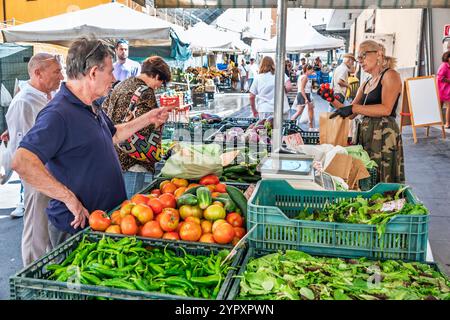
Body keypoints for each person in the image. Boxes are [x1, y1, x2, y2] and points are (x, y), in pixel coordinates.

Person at [11, 38, 172, 247]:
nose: (114, 78)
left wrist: (148, 118)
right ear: (94, 72)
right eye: (110, 72)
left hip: (105, 223)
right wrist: (69, 198)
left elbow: (113, 134)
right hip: (77, 229)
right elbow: (22, 161)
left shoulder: (91, 106)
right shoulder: (58, 114)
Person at [5, 53, 64, 266]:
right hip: (37, 175)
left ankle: (46, 269)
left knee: (47, 227)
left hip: (52, 172)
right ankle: (31, 273)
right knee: (36, 229)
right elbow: (22, 150)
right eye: (56, 71)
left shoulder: (49, 95)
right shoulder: (24, 101)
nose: (61, 75)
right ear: (38, 73)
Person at [329, 40, 404, 183]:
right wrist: (330, 98)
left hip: (384, 136)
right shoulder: (366, 83)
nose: (360, 61)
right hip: (366, 136)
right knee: (366, 175)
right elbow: (351, 113)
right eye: (358, 58)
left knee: (383, 177)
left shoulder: (390, 75)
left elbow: (386, 109)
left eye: (363, 55)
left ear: (379, 54)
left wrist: (354, 108)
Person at [103, 56, 171, 199]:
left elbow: (105, 111)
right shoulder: (146, 92)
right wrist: (158, 123)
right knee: (134, 207)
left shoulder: (121, 85)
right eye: (161, 82)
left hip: (114, 156)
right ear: (157, 76)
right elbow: (143, 127)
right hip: (134, 160)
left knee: (121, 209)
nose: (159, 87)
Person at [437, 51, 450, 128]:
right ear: (448, 58)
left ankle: (444, 123)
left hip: (447, 89)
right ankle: (447, 123)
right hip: (443, 90)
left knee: (441, 106)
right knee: (448, 106)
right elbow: (440, 78)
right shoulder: (444, 66)